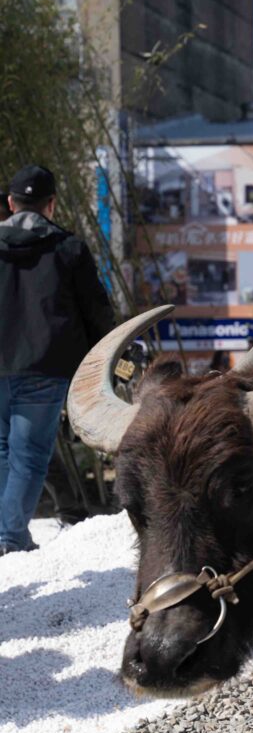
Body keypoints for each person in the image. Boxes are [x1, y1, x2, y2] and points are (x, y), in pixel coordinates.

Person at [0, 165, 114, 555]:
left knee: (2, 451)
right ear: (51, 205)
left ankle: (6, 533)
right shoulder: (68, 249)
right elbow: (95, 310)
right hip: (45, 368)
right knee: (29, 455)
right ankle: (10, 537)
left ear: (11, 203)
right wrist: (104, 358)